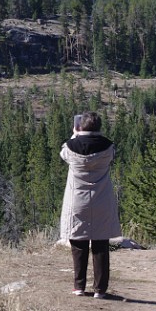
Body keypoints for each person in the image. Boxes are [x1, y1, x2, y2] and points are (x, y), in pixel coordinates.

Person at [60, 111, 122, 298]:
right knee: (101, 244)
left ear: (80, 126)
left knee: (78, 243)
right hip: (101, 199)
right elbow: (112, 155)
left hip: (77, 200)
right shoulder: (108, 147)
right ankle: (100, 289)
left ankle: (79, 286)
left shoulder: (70, 146)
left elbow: (63, 155)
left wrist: (75, 135)